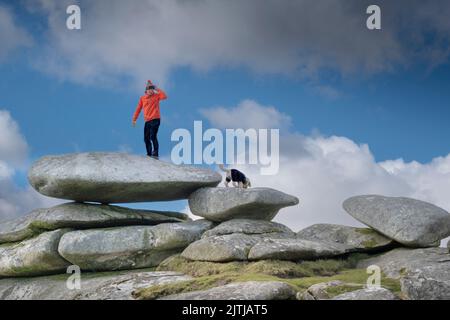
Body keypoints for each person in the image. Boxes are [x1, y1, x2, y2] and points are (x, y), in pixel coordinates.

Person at [132, 80, 167, 159]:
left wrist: (157, 89)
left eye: (152, 89)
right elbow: (138, 109)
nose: (151, 91)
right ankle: (149, 154)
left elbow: (164, 96)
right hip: (147, 121)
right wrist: (134, 119)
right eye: (149, 89)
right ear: (146, 91)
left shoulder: (156, 96)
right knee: (146, 138)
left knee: (153, 136)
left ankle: (155, 154)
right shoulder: (142, 98)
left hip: (155, 119)